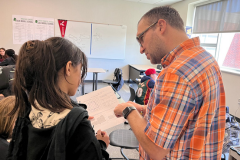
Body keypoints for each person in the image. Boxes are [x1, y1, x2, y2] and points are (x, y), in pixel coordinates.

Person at [114, 6, 226, 160]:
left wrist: (128, 110)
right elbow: (184, 112)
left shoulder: (176, 73)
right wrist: (143, 108)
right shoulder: (206, 59)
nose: (141, 49)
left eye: (141, 39)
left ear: (160, 26)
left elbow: (155, 149)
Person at [7, 37, 110, 160]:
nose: (81, 79)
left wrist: (75, 122)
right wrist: (101, 144)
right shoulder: (79, 125)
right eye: (80, 69)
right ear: (69, 68)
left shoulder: (28, 108)